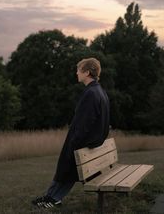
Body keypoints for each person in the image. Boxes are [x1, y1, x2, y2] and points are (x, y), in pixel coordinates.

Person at [32, 57, 110, 209]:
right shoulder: (100, 91)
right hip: (90, 143)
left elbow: (84, 124)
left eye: (78, 70)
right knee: (66, 170)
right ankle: (52, 197)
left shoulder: (91, 93)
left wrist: (74, 143)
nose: (76, 73)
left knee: (65, 168)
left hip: (82, 143)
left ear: (87, 72)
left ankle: (51, 199)